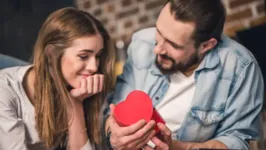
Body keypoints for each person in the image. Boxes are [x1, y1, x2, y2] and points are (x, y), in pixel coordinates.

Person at [104, 0, 264, 149]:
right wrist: (113, 135)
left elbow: (237, 141)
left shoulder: (240, 66)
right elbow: (115, 109)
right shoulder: (141, 42)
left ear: (206, 46)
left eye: (173, 44)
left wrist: (174, 146)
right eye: (158, 32)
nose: (157, 49)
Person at [0, 7, 115, 150]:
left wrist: (75, 104)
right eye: (83, 56)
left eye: (97, 56)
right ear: (51, 54)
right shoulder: (4, 90)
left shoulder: (82, 90)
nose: (94, 67)